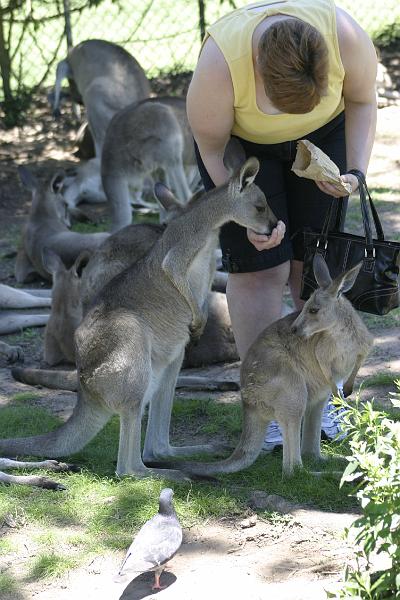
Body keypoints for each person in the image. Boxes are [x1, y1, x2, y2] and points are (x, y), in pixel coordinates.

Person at [187, 0, 377, 448]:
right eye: (284, 106)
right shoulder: (220, 64)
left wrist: (354, 174)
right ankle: (270, 403)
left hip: (324, 138)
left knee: (312, 271)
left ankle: (320, 402)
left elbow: (363, 101)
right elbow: (213, 148)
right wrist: (242, 214)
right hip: (240, 148)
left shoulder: (345, 36)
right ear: (257, 69)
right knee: (259, 269)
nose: (291, 118)